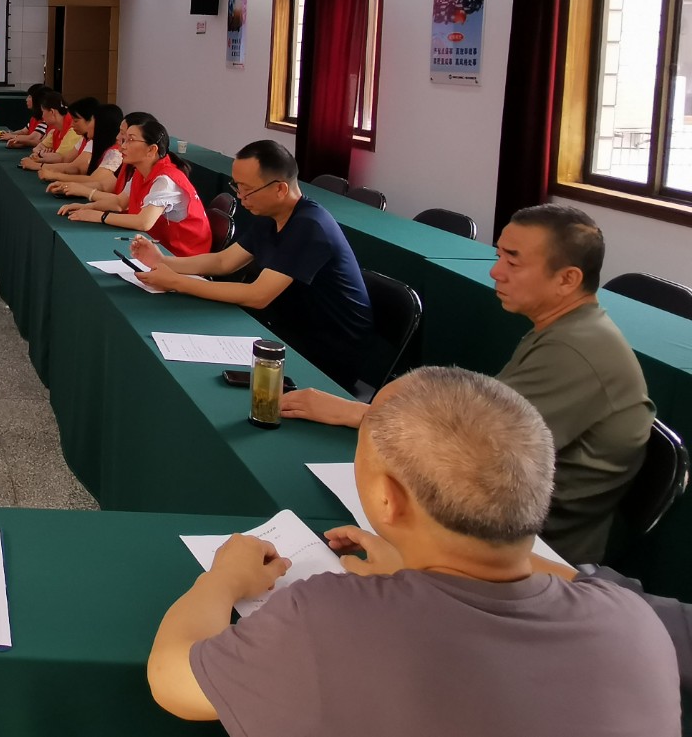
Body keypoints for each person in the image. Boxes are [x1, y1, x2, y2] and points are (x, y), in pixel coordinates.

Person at [147, 367, 679, 737]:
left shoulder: (327, 620)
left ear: (386, 500)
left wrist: (222, 579)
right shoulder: (634, 621)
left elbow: (173, 682)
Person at [281, 204, 653, 564]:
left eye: (513, 262)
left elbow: (481, 446)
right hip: (495, 516)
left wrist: (354, 413)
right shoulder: (568, 330)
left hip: (530, 548)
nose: (495, 272)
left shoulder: (576, 352)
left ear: (567, 279)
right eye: (499, 256)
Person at [128, 139, 371, 390]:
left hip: (326, 352)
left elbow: (258, 296)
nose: (240, 196)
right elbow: (223, 261)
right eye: (237, 186)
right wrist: (164, 261)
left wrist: (177, 282)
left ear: (280, 189)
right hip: (286, 328)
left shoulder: (310, 226)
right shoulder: (272, 215)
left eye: (247, 189)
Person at [55, 114, 211, 257]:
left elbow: (143, 222)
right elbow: (119, 202)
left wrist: (100, 216)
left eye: (130, 140)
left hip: (182, 256)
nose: (122, 146)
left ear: (151, 150)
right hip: (158, 249)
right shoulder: (141, 171)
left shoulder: (165, 180)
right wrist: (87, 207)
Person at [44, 104, 129, 192]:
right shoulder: (98, 145)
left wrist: (56, 176)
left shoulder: (115, 153)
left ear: (101, 125)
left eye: (89, 121)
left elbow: (95, 180)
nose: (87, 125)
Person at [35, 99, 117, 183]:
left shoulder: (115, 152)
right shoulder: (86, 139)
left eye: (76, 120)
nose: (71, 124)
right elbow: (66, 159)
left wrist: (50, 172)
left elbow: (79, 170)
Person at [20, 96, 87, 170]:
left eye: (43, 111)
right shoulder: (55, 131)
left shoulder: (74, 132)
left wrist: (39, 161)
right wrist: (41, 155)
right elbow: (37, 148)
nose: (42, 116)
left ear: (52, 111)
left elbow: (63, 160)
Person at [4, 84, 52, 149]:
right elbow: (24, 131)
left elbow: (34, 138)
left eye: (30, 97)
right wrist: (11, 134)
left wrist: (12, 137)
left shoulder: (47, 119)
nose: (26, 99)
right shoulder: (34, 118)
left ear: (37, 100)